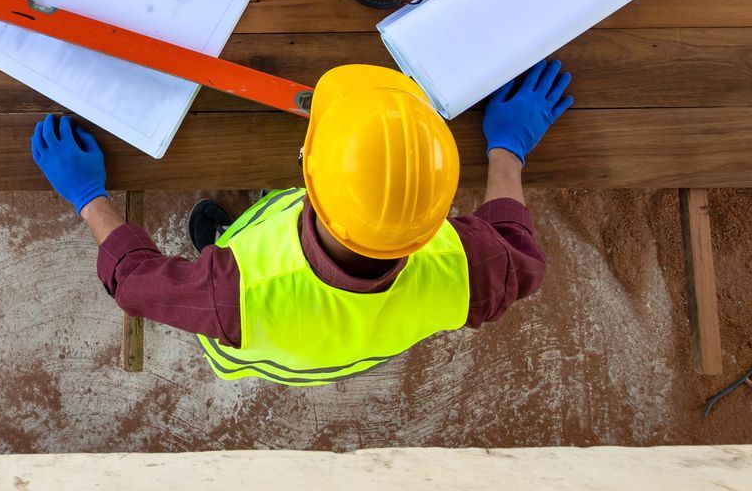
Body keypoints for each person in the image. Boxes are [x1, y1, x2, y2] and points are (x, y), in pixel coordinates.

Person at [29, 59, 573, 385]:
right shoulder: (468, 264)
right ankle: (247, 223)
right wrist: (509, 148)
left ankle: (221, 240)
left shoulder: (232, 294)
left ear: (308, 169)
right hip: (361, 339)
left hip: (266, 340)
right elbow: (518, 250)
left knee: (230, 251)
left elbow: (135, 282)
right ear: (439, 219)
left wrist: (87, 196)